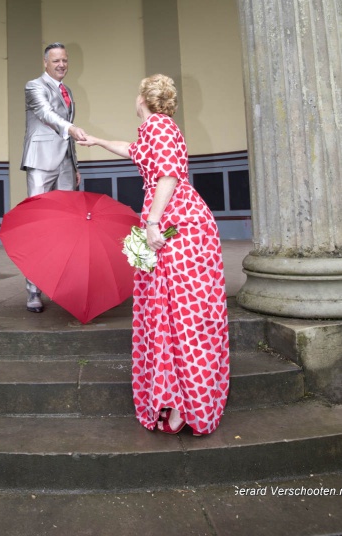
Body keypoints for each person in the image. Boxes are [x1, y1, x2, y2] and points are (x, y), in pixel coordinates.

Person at [77, 74, 229, 436]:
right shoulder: (154, 130)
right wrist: (96, 140)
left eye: (136, 92)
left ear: (144, 97)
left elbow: (168, 177)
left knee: (183, 317)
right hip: (169, 224)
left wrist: (153, 223)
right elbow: (133, 150)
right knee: (168, 313)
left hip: (178, 227)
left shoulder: (159, 128)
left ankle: (187, 403)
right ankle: (174, 397)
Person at [20, 43, 87, 313]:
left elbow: (66, 137)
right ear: (45, 63)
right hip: (40, 162)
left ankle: (63, 287)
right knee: (39, 227)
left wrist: (75, 165)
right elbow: (46, 114)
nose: (61, 65)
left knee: (68, 228)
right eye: (56, 60)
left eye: (65, 60)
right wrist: (70, 127)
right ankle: (33, 291)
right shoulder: (33, 86)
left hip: (66, 165)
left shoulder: (68, 91)